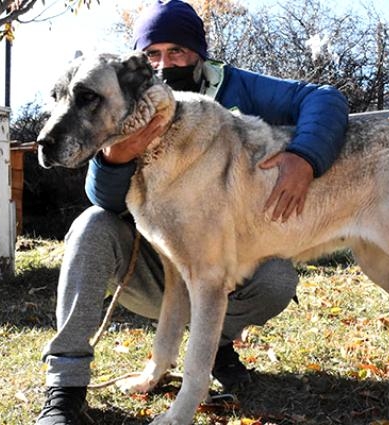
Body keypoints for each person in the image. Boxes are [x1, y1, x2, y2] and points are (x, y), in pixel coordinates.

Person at [35, 1, 348, 424]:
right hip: (148, 261)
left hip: (223, 261)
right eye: (153, 54)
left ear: (198, 54)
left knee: (275, 277)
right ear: (137, 65)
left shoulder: (237, 87)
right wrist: (116, 158)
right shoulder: (116, 104)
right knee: (90, 225)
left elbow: (324, 99)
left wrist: (305, 157)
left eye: (177, 52)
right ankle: (66, 387)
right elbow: (104, 200)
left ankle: (214, 347)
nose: (164, 64)